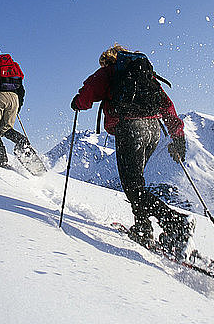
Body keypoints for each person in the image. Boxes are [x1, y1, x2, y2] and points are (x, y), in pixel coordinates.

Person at [71, 43, 195, 258]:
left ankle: (176, 224)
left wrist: (77, 102)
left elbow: (88, 94)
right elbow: (166, 103)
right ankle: (143, 228)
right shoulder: (146, 73)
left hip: (130, 128)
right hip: (153, 130)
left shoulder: (109, 71)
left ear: (109, 59)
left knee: (133, 187)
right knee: (136, 184)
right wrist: (178, 136)